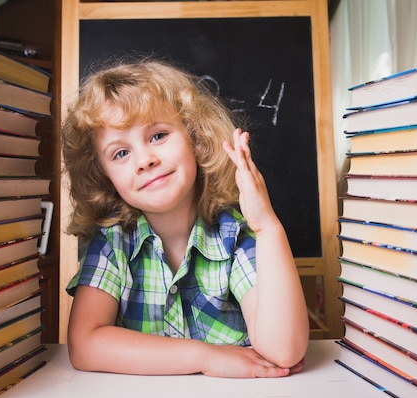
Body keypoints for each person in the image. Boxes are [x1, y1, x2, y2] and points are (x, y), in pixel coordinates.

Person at [62, 58, 308, 378]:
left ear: (195, 137)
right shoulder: (112, 242)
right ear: (104, 176)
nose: (145, 160)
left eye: (158, 136)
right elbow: (84, 345)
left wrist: (268, 227)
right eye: (121, 153)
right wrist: (205, 358)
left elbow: (284, 350)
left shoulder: (235, 236)